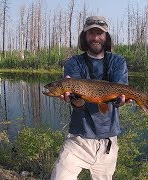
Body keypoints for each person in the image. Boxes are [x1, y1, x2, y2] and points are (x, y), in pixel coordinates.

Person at [50, 16, 132, 180]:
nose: (95, 37)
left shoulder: (118, 61)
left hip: (107, 142)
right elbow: (78, 104)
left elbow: (118, 93)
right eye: (91, 33)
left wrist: (120, 100)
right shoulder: (74, 62)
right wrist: (76, 100)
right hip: (78, 140)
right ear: (84, 36)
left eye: (100, 33)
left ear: (106, 37)